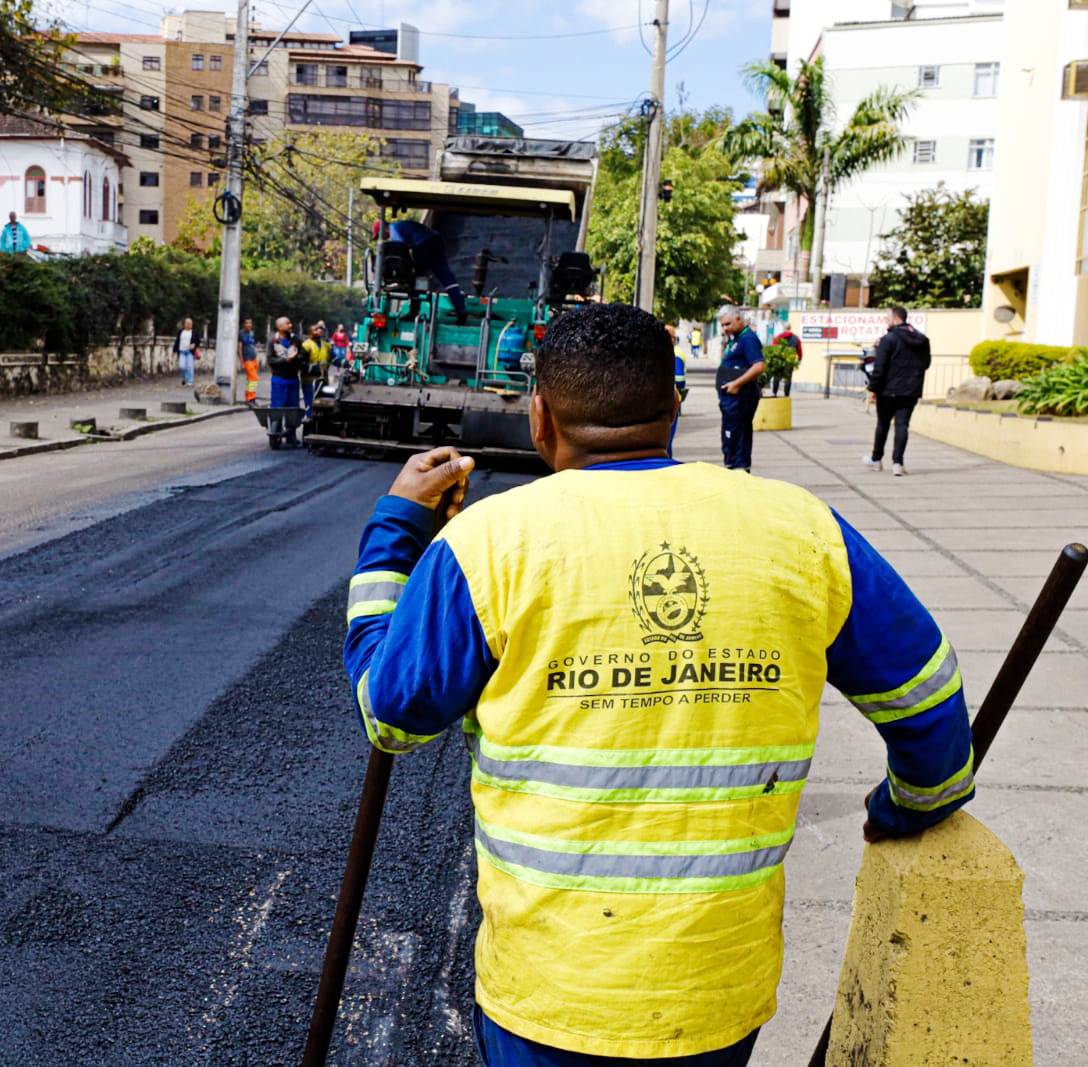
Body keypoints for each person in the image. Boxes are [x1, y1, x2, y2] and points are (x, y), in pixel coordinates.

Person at [343, 302, 975, 1067]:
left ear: (540, 417)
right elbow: (932, 712)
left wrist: (395, 531)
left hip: (549, 997)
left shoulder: (489, 544)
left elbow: (391, 716)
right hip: (716, 996)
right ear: (676, 406)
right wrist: (900, 807)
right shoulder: (804, 531)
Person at [865, 306, 932, 477]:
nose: (885, 320)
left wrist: (872, 388)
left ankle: (876, 459)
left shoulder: (888, 339)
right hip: (911, 390)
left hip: (888, 390)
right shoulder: (922, 340)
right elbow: (926, 364)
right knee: (902, 425)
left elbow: (879, 368)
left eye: (887, 317)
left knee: (883, 424)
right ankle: (898, 463)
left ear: (896, 319)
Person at [375, 218, 467, 322]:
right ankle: (461, 310)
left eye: (379, 235)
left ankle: (414, 312)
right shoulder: (401, 225)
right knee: (446, 276)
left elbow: (400, 251)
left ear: (383, 230)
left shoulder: (394, 229)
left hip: (423, 245)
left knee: (415, 278)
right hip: (436, 240)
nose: (382, 238)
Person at [715, 305, 764, 471]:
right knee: (731, 436)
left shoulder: (747, 339)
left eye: (727, 324)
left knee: (739, 435)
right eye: (722, 325)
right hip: (730, 400)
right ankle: (733, 465)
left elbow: (758, 366)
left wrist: (736, 384)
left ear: (738, 319)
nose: (725, 328)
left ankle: (740, 470)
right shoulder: (735, 338)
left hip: (741, 398)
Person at [266, 317, 302, 447]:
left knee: (293, 407)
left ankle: (291, 435)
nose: (290, 325)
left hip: (293, 379)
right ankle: (276, 432)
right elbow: (270, 360)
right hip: (278, 380)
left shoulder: (296, 340)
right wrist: (285, 360)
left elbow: (302, 356)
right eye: (287, 323)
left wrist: (296, 357)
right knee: (277, 407)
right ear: (280, 327)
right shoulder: (273, 341)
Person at [664, 324, 688, 457]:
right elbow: (679, 380)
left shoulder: (671, 353)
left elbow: (678, 378)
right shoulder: (674, 353)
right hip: (671, 398)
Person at [301, 321, 330, 413]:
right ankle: (309, 421)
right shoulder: (306, 345)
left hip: (323, 380)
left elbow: (333, 358)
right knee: (310, 402)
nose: (319, 331)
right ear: (310, 333)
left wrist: (346, 363)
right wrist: (313, 368)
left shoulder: (326, 345)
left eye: (320, 329)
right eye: (316, 329)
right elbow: (301, 363)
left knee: (323, 403)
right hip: (310, 380)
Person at [772, 322, 802, 399]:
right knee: (788, 378)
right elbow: (799, 350)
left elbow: (773, 347)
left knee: (777, 376)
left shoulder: (778, 337)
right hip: (790, 360)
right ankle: (786, 394)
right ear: (790, 328)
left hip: (779, 360)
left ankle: (775, 393)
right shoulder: (796, 338)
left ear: (784, 328)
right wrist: (799, 359)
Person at [240, 318, 260, 406]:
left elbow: (252, 345)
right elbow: (239, 349)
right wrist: (242, 362)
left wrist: (257, 357)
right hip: (247, 359)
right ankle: (250, 399)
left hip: (254, 358)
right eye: (247, 323)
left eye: (250, 323)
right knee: (254, 379)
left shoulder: (251, 333)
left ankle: (249, 398)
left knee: (251, 380)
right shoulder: (241, 333)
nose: (249, 325)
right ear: (244, 324)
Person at [174, 318, 196, 387]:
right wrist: (174, 351)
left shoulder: (194, 332)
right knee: (182, 366)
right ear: (185, 324)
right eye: (188, 323)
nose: (189, 325)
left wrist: (194, 344)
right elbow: (177, 341)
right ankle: (184, 378)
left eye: (190, 323)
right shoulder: (181, 332)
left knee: (189, 367)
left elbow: (198, 341)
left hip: (190, 352)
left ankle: (190, 381)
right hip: (182, 352)